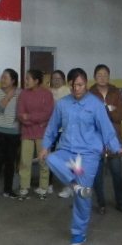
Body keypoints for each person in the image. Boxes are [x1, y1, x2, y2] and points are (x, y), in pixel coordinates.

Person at [40, 68, 122, 245]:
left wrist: (117, 148)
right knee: (50, 158)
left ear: (86, 84)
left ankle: (78, 232)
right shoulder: (62, 104)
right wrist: (45, 146)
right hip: (67, 150)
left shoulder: (95, 104)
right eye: (73, 86)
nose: (77, 89)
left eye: (80, 85)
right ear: (69, 85)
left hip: (88, 155)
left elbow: (106, 129)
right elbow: (52, 128)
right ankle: (75, 185)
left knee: (82, 197)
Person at [90, 64, 122, 214]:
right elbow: (90, 117)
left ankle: (121, 203)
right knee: (97, 175)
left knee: (117, 173)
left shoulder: (116, 92)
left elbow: (121, 115)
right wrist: (110, 109)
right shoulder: (90, 93)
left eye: (105, 75)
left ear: (109, 76)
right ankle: (101, 204)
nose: (102, 77)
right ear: (94, 77)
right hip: (96, 140)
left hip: (114, 139)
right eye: (99, 75)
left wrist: (105, 111)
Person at [17, 69, 54, 200]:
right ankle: (24, 187)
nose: (26, 81)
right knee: (25, 161)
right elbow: (20, 114)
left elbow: (48, 114)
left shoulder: (47, 94)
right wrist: (36, 120)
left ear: (37, 81)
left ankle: (43, 188)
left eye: (28, 78)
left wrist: (29, 117)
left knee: (44, 161)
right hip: (27, 132)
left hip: (43, 133)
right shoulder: (23, 94)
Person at [0, 68, 21, 199]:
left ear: (13, 80)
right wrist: (8, 97)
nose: (2, 80)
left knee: (10, 161)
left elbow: (23, 109)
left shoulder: (20, 93)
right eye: (2, 77)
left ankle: (8, 189)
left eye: (5, 78)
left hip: (14, 132)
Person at [49, 69, 71, 197]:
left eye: (59, 78)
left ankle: (68, 186)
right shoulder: (48, 92)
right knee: (49, 156)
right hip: (51, 129)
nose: (56, 81)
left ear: (63, 80)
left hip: (65, 130)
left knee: (66, 158)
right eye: (54, 78)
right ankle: (48, 184)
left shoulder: (68, 91)